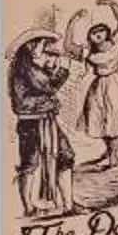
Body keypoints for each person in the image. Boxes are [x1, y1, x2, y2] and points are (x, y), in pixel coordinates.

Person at [7, 31, 77, 217]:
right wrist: (64, 68)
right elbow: (50, 87)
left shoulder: (28, 67)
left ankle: (67, 205)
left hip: (43, 119)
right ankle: (30, 207)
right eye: (41, 44)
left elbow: (45, 88)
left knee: (64, 156)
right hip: (34, 121)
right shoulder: (27, 68)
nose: (44, 47)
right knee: (31, 163)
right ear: (30, 47)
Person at [69, 5, 118, 170]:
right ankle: (110, 151)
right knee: (100, 119)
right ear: (90, 38)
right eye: (93, 33)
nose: (97, 35)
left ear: (107, 32)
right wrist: (73, 21)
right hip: (100, 85)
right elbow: (68, 46)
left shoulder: (117, 42)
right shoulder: (89, 52)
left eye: (100, 31)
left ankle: (114, 155)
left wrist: (111, 4)